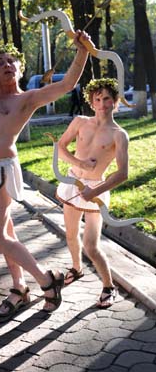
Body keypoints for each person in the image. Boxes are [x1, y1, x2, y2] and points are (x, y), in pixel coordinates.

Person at [0, 23, 90, 317]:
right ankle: (19, 286)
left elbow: (66, 85)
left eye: (11, 62)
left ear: (20, 69)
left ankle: (46, 280)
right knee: (7, 229)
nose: (5, 65)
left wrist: (82, 50)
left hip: (2, 169)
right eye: (0, 62)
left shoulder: (27, 99)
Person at [56, 78, 129, 308]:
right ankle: (76, 269)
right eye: (97, 99)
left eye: (107, 98)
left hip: (95, 192)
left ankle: (109, 286)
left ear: (115, 101)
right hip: (72, 184)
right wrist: (79, 163)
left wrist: (94, 190)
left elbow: (122, 173)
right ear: (91, 101)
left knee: (91, 245)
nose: (102, 103)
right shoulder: (80, 121)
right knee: (69, 235)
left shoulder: (119, 134)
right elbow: (60, 147)